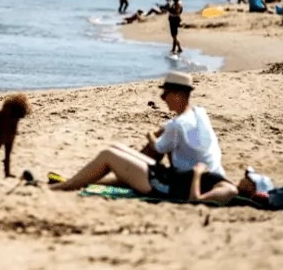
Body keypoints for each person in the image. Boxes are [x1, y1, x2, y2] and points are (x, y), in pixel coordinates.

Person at [49, 71, 237, 204]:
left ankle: (62, 188)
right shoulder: (199, 113)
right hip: (199, 176)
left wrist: (150, 134)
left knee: (108, 154)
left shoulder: (177, 125)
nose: (163, 98)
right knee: (116, 148)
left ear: (179, 95)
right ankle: (76, 180)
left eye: (166, 94)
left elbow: (157, 148)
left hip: (174, 184)